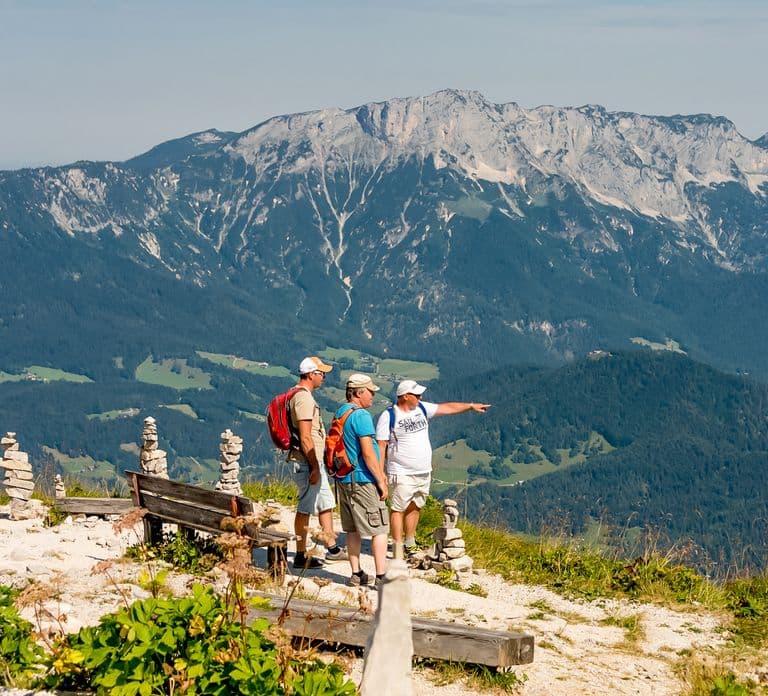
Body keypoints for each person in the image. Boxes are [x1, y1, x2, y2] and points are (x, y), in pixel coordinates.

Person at [375, 379, 490, 558]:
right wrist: (381, 473)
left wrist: (470, 406)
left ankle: (410, 542)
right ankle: (397, 547)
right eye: (417, 395)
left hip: (423, 470)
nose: (420, 397)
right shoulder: (389, 416)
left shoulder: (421, 408)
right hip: (401, 471)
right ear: (405, 396)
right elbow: (381, 445)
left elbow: (446, 408)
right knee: (398, 508)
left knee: (416, 505)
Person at [287, 356, 347, 569]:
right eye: (322, 373)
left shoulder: (300, 395)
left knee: (326, 503)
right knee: (305, 507)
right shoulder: (304, 399)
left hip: (313, 462)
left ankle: (332, 548)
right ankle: (301, 555)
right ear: (312, 374)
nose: (324, 378)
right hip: (307, 462)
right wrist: (314, 467)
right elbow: (305, 437)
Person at [334, 373, 389, 587]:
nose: (373, 396)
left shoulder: (341, 412)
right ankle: (381, 577)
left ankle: (356, 574)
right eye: (370, 391)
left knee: (353, 529)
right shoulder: (362, 416)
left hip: (344, 479)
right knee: (379, 528)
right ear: (359, 393)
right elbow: (368, 453)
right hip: (363, 479)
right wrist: (381, 481)